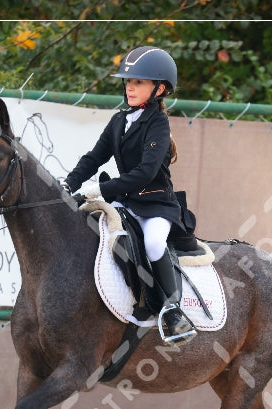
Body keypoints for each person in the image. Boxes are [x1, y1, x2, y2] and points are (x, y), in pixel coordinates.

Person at [63, 46, 196, 347]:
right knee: (99, 235)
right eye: (128, 81)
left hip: (156, 205)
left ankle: (172, 310)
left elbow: (145, 173)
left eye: (138, 82)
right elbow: (94, 157)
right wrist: (69, 182)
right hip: (125, 202)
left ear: (159, 88)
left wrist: (100, 190)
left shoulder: (158, 125)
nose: (130, 87)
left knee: (152, 243)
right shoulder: (119, 121)